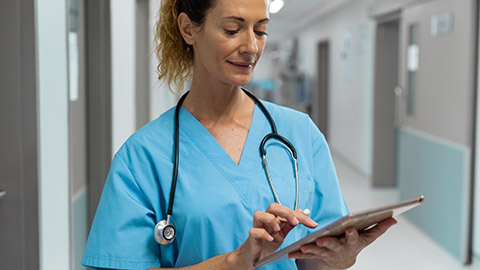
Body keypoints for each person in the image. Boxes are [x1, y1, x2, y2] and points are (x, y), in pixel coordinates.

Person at [81, 0, 396, 269]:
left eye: (260, 30)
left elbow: (312, 259)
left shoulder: (300, 133)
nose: (251, 47)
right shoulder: (144, 156)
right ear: (188, 29)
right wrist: (234, 262)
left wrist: (339, 259)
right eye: (232, 29)